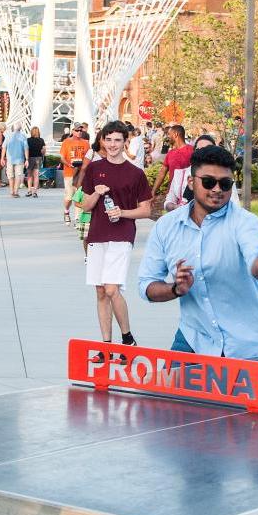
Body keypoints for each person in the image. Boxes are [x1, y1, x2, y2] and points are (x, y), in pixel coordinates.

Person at [138, 143, 258, 359]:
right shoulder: (166, 227)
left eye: (225, 184)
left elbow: (254, 249)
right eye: (208, 182)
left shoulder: (245, 222)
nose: (217, 189)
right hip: (195, 338)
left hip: (250, 343)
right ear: (190, 182)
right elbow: (146, 286)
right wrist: (175, 289)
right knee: (167, 392)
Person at [79, 120, 153, 354]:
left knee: (112, 289)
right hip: (97, 234)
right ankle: (106, 345)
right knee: (100, 291)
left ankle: (128, 338)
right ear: (102, 141)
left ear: (125, 142)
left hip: (121, 235)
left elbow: (146, 210)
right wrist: (97, 194)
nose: (112, 144)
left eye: (117, 140)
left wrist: (122, 212)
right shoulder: (93, 169)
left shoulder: (136, 173)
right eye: (108, 139)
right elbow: (85, 206)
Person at [59, 124, 90, 225]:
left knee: (79, 196)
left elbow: (88, 157)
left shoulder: (85, 143)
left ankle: (77, 218)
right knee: (69, 196)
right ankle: (66, 211)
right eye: (77, 130)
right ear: (72, 131)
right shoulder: (66, 142)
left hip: (81, 173)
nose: (79, 132)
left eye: (81, 130)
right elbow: (62, 158)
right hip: (69, 173)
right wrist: (69, 164)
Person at [151, 124, 193, 195]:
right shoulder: (170, 153)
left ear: (175, 134)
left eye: (169, 134)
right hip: (172, 193)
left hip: (187, 194)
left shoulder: (192, 150)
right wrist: (153, 192)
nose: (167, 137)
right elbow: (162, 173)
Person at [2, 123, 29, 197]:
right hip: (20, 159)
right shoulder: (23, 136)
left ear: (12, 128)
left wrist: (2, 158)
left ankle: (11, 191)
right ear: (20, 129)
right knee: (18, 175)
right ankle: (16, 191)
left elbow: (4, 147)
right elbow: (26, 148)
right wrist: (27, 159)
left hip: (10, 159)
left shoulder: (8, 136)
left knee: (10, 175)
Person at [25, 126, 46, 197]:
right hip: (38, 158)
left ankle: (29, 191)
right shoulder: (41, 140)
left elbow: (26, 149)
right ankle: (35, 192)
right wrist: (42, 155)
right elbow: (43, 150)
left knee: (29, 175)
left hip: (30, 158)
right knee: (36, 175)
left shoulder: (28, 140)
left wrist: (26, 159)